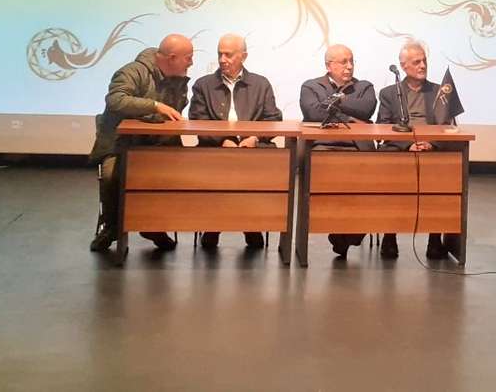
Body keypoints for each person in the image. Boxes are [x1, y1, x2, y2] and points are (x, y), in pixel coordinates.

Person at [88, 34, 194, 252]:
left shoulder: (178, 79)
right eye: (188, 57)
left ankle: (153, 225)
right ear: (172, 58)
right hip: (121, 145)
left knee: (180, 174)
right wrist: (155, 106)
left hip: (158, 145)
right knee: (111, 175)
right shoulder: (132, 72)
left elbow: (173, 114)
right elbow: (116, 100)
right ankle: (113, 226)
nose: (191, 63)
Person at [187, 33, 283, 249]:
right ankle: (213, 226)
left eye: (228, 55)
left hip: (252, 150)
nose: (222, 60)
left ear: (243, 56)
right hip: (215, 149)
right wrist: (222, 140)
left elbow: (273, 118)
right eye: (220, 54)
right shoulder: (203, 84)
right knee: (219, 173)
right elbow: (198, 119)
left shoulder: (260, 83)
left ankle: (251, 225)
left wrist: (255, 138)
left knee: (255, 172)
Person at [376, 42, 463, 260]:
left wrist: (432, 143)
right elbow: (383, 127)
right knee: (391, 178)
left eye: (424, 61)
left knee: (441, 180)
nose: (423, 65)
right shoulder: (389, 93)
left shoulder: (439, 91)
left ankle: (435, 239)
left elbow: (449, 126)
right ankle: (389, 236)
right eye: (416, 62)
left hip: (432, 149)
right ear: (403, 66)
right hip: (401, 150)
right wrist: (408, 145)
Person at [299, 44, 378, 257]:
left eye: (351, 61)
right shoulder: (311, 86)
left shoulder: (364, 86)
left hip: (358, 147)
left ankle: (347, 234)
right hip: (325, 147)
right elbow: (313, 113)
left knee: (369, 187)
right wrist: (350, 118)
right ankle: (339, 230)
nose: (349, 66)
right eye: (344, 62)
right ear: (329, 65)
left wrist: (337, 102)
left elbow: (366, 108)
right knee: (334, 187)